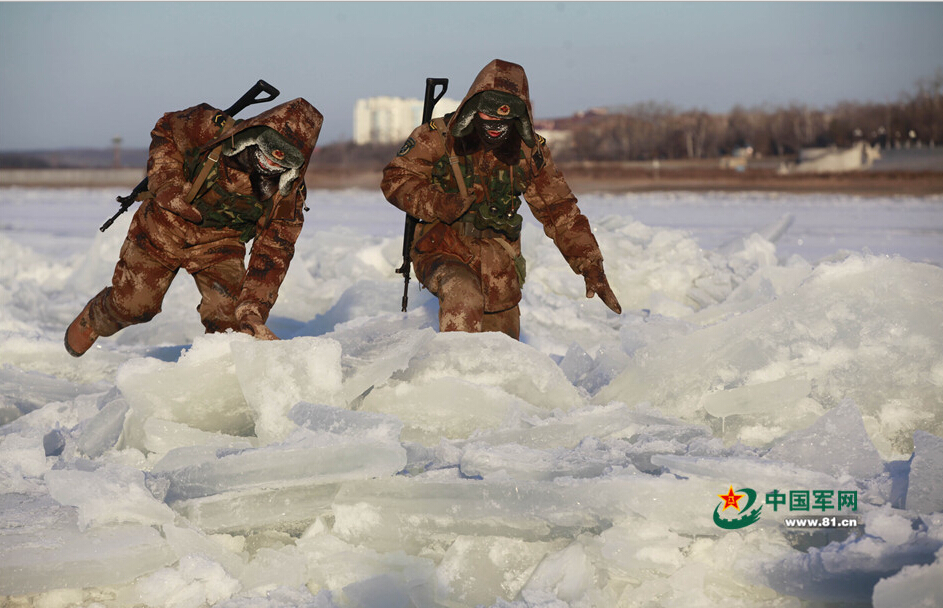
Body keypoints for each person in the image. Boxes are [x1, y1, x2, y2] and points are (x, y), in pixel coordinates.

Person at [381, 59, 621, 340]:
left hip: (500, 266)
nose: (495, 127)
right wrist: (438, 203)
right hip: (442, 248)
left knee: (501, 355)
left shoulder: (528, 152)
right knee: (462, 293)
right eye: (488, 117)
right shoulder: (438, 138)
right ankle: (452, 376)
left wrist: (591, 265)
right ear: (473, 108)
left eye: (504, 120)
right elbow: (395, 179)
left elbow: (559, 210)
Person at [64, 97, 323, 356]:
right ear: (260, 132)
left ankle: (217, 376)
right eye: (271, 146)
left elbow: (273, 255)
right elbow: (167, 128)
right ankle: (95, 317)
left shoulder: (288, 196)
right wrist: (167, 184)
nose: (273, 160)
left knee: (232, 324)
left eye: (285, 158)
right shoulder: (214, 129)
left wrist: (253, 311)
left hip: (220, 245)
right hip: (165, 224)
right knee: (134, 306)